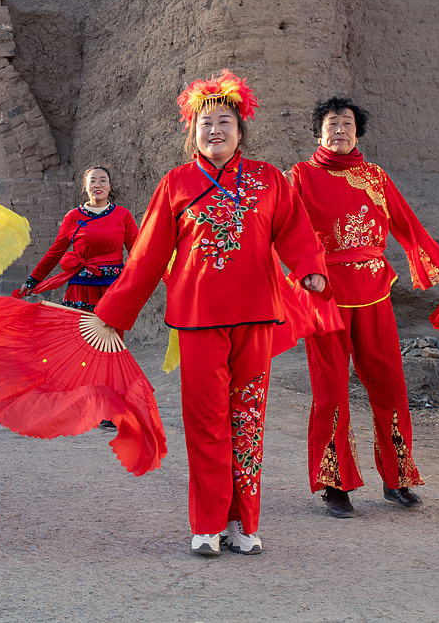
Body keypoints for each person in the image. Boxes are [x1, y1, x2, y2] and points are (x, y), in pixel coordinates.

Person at [92, 72, 327, 558]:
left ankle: (244, 522)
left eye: (224, 121)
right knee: (205, 423)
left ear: (241, 131)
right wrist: (115, 311)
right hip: (197, 320)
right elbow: (148, 255)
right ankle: (207, 524)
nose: (214, 129)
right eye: (205, 122)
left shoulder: (269, 180)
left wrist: (309, 269)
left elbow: (296, 233)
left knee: (248, 421)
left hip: (257, 316)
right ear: (192, 133)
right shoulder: (176, 182)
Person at [287, 97, 439, 519]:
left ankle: (397, 476)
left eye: (347, 123)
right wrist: (300, 272)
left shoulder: (376, 177)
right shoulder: (298, 177)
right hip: (325, 294)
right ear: (319, 133)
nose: (339, 130)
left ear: (357, 133)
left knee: (389, 386)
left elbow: (408, 224)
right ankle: (335, 484)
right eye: (331, 123)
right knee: (330, 392)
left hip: (374, 293)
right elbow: (284, 231)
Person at [17, 165, 139, 314]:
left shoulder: (123, 215)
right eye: (92, 181)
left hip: (112, 288)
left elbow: (137, 252)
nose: (98, 185)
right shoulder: (72, 217)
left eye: (103, 180)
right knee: (79, 336)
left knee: (110, 337)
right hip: (81, 289)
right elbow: (54, 253)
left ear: (109, 186)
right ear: (86, 187)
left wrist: (136, 282)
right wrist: (33, 280)